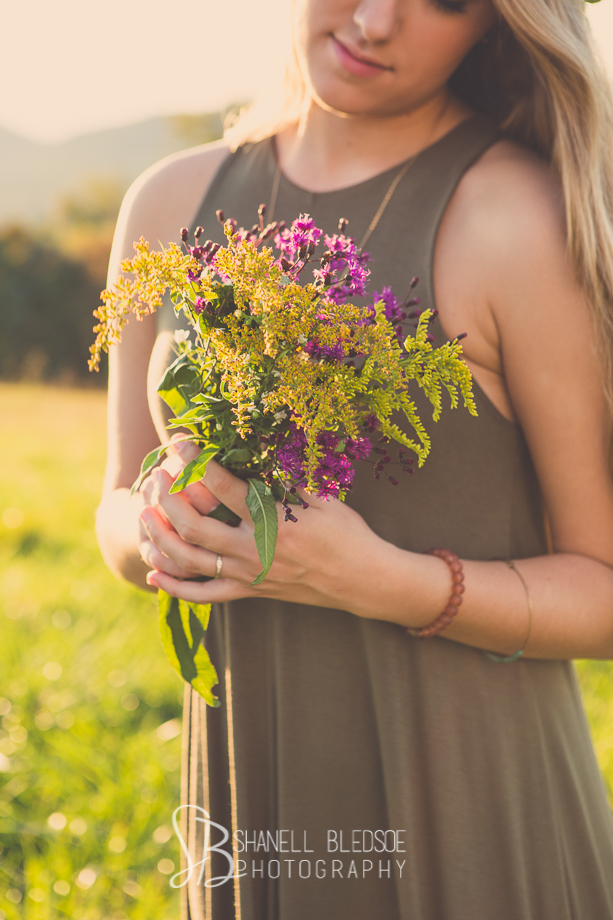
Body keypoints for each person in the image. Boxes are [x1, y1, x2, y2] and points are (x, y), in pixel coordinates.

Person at [96, 0, 613, 917]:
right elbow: (114, 513)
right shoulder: (170, 200)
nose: (376, 20)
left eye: (444, 0)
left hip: (473, 810)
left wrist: (390, 582)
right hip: (252, 799)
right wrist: (162, 532)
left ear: (495, 24)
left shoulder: (517, 218)